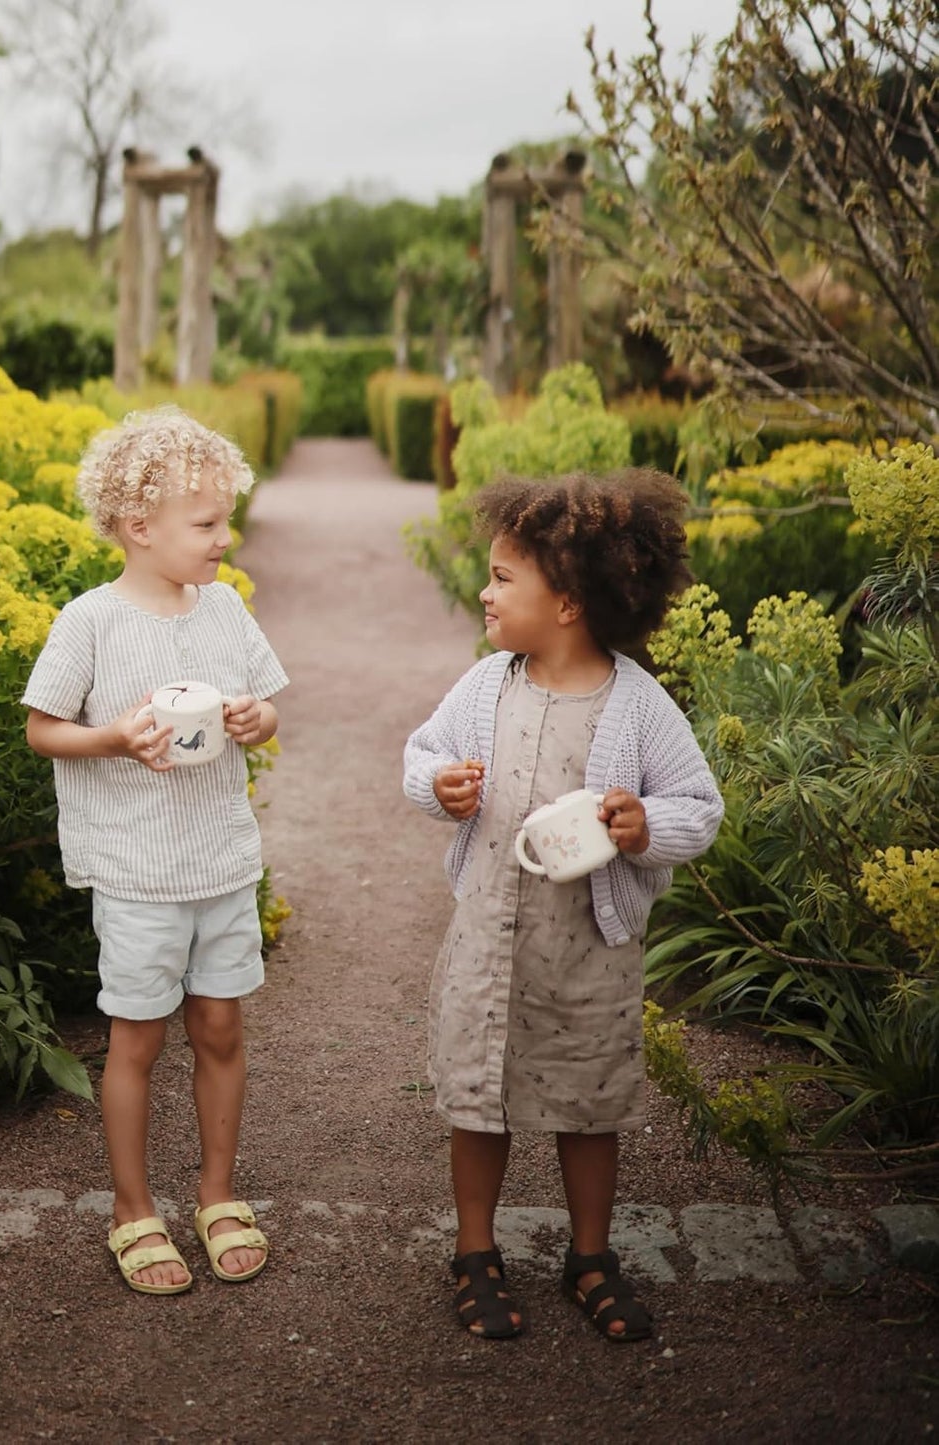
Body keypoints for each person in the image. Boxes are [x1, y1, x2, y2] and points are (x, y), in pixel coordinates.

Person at [402, 470, 723, 1342]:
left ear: (570, 603)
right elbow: (420, 754)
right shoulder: (485, 686)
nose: (485, 589)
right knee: (480, 1096)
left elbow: (699, 808)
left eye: (504, 576)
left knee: (588, 1102)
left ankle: (590, 1256)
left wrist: (641, 822)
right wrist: (442, 783)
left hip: (588, 947)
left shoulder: (639, 706)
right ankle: (475, 1250)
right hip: (488, 938)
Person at [23, 406, 287, 1296]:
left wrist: (257, 718)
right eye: (206, 523)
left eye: (224, 519)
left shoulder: (225, 610)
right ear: (139, 528)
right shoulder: (90, 622)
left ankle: (216, 1193)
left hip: (219, 859)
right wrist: (112, 740)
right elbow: (42, 729)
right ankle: (132, 1209)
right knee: (135, 1039)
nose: (225, 538)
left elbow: (267, 706)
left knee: (220, 1025)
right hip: (137, 873)